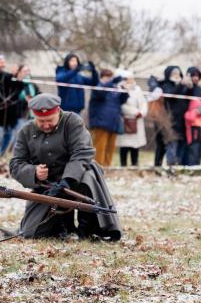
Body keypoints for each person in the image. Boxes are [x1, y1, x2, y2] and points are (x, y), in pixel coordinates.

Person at [9, 94, 121, 240]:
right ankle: (61, 225)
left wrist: (68, 179)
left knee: (88, 178)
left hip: (77, 177)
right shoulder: (26, 131)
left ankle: (88, 228)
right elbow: (15, 163)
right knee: (33, 233)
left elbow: (82, 151)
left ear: (58, 111)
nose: (46, 125)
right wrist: (33, 173)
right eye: (41, 121)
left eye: (49, 120)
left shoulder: (72, 121)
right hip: (48, 186)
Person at [0, 54, 23, 168]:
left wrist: (17, 76)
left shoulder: (5, 76)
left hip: (10, 113)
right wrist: (12, 74)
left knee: (9, 136)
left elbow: (16, 84)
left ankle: (0, 157)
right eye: (1, 61)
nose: (4, 63)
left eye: (4, 61)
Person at [87, 69, 128, 167]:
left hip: (114, 122)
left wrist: (125, 91)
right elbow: (101, 94)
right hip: (100, 122)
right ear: (102, 77)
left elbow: (122, 101)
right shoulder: (98, 87)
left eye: (111, 77)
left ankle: (107, 167)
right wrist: (112, 82)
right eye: (107, 77)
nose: (109, 79)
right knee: (100, 147)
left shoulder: (114, 88)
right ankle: (97, 167)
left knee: (111, 147)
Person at [158, 66, 190, 165]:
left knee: (181, 144)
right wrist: (180, 85)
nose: (177, 75)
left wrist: (189, 87)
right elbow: (171, 95)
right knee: (172, 143)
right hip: (171, 120)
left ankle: (178, 165)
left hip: (183, 120)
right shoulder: (166, 85)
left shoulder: (184, 85)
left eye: (178, 73)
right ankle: (170, 165)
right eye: (174, 73)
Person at [116, 70, 148, 167]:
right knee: (125, 145)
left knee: (135, 145)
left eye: (132, 78)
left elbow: (143, 103)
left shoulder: (138, 89)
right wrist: (135, 112)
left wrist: (142, 112)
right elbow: (122, 105)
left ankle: (134, 164)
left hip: (137, 121)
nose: (132, 80)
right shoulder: (120, 89)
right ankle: (123, 164)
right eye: (129, 79)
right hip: (126, 120)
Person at [8, 64, 40, 151]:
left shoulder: (32, 84)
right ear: (20, 72)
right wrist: (24, 99)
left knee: (32, 137)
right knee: (18, 136)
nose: (27, 73)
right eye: (24, 71)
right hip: (20, 114)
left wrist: (35, 99)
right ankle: (14, 156)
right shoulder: (16, 83)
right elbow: (12, 98)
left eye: (28, 71)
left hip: (33, 115)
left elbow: (39, 94)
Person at [184, 99, 201, 165]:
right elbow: (191, 118)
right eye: (198, 107)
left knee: (199, 154)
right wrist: (195, 111)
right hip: (193, 140)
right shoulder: (188, 114)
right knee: (193, 154)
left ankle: (197, 166)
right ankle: (192, 167)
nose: (200, 109)